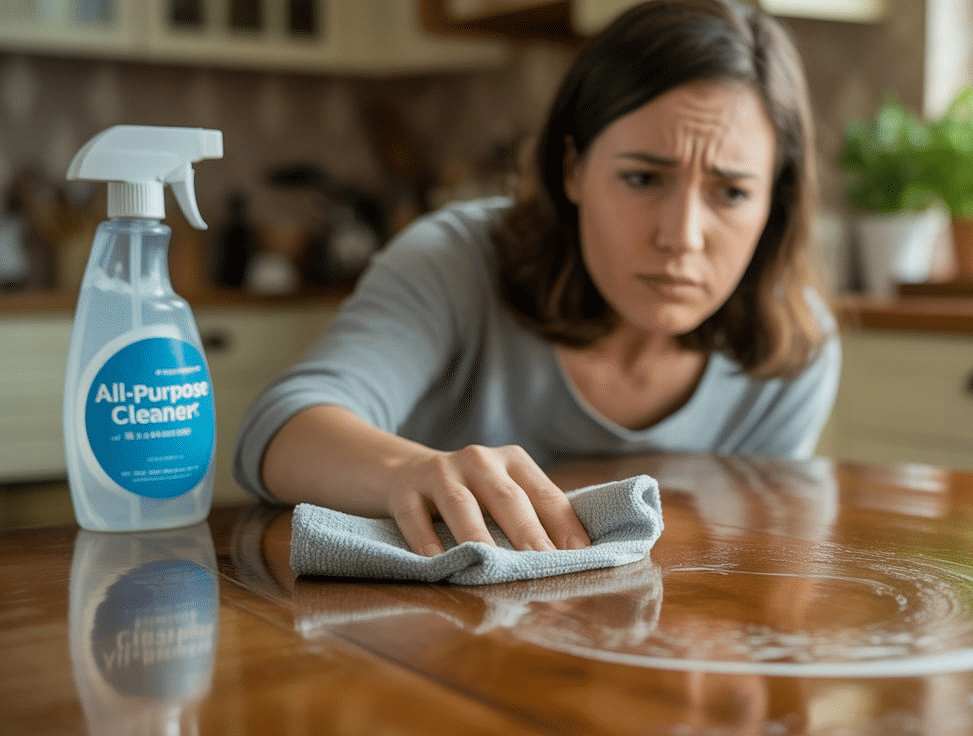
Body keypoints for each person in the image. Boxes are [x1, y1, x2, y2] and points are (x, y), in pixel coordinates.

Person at [232, 0, 840, 558]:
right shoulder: (455, 261)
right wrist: (406, 473)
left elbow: (749, 558)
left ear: (774, 205)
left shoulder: (793, 349)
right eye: (642, 179)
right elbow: (281, 431)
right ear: (574, 169)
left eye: (731, 192)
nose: (681, 236)